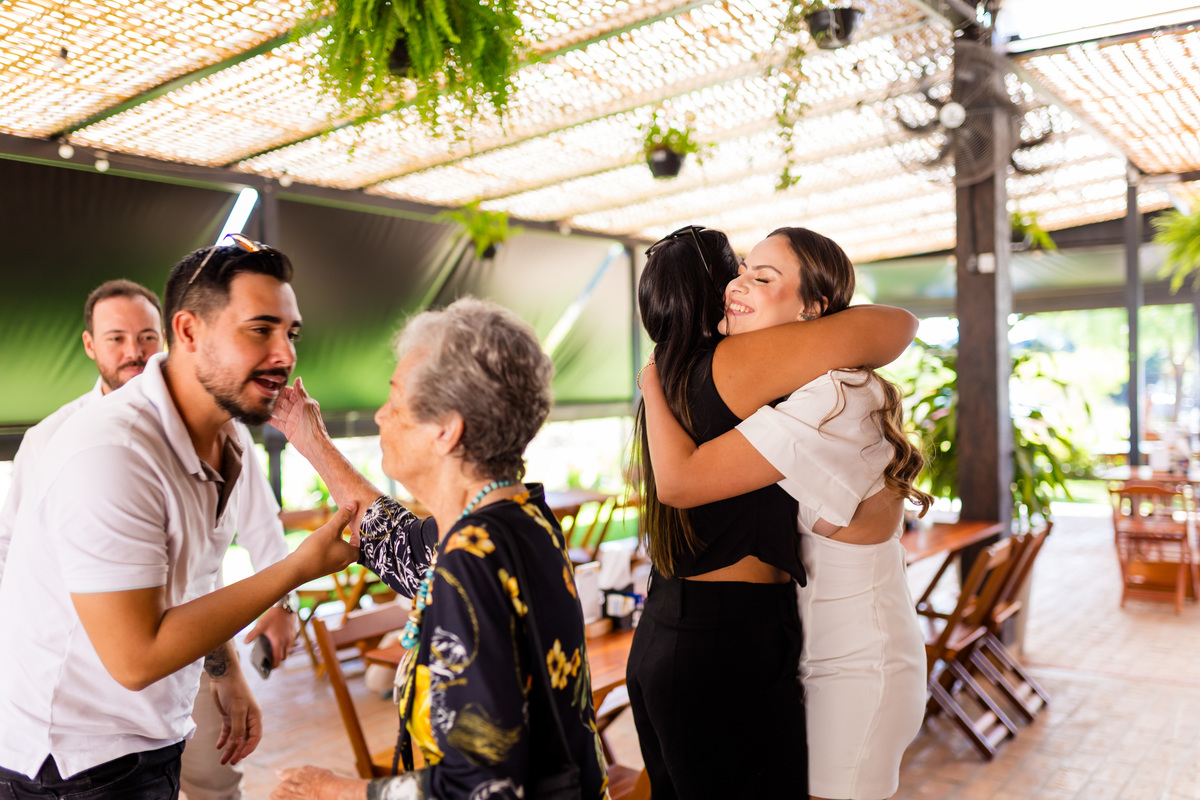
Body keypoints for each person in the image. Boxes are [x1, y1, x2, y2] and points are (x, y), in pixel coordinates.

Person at [0, 236, 358, 798]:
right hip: (74, 764)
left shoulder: (222, 436)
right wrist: (297, 568)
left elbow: (188, 581)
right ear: (188, 332)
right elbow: (136, 658)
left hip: (150, 736)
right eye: (260, 329)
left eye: (291, 333)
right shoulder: (112, 452)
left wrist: (227, 671)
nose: (285, 355)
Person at [268, 298, 608, 800]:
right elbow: (398, 544)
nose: (380, 415)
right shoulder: (519, 519)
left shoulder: (470, 561)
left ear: (446, 430)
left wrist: (337, 791)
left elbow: (481, 787)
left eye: (395, 400)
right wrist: (311, 438)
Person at [625, 226, 919, 799]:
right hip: (734, 635)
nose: (740, 286)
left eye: (760, 276)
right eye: (738, 273)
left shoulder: (680, 375)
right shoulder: (739, 366)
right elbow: (894, 325)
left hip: (671, 627)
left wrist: (651, 384)